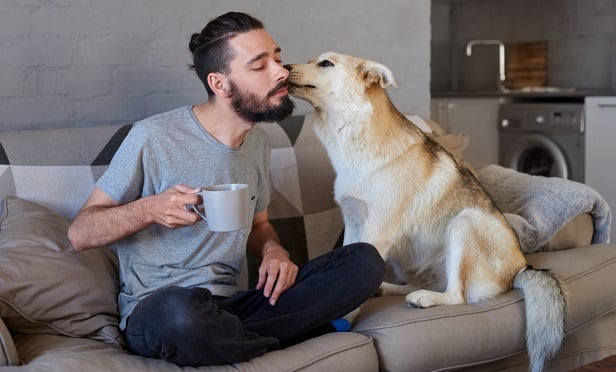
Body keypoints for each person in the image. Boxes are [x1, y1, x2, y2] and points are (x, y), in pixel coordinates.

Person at [68, 11, 385, 367]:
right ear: (219, 84)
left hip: (234, 304)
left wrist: (273, 253)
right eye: (259, 66)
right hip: (159, 307)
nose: (281, 72)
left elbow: (260, 225)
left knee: (364, 261)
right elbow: (81, 232)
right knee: (180, 314)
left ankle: (242, 338)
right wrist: (149, 209)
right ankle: (298, 333)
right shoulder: (152, 136)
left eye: (277, 59)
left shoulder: (258, 144)